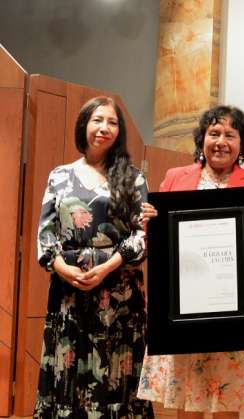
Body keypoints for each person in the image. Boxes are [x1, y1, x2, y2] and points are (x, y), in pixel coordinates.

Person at [136, 105, 244, 418]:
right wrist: (150, 221)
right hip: (186, 307)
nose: (221, 141)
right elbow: (159, 240)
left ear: (242, 144)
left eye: (230, 134)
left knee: (227, 398)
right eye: (214, 133)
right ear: (202, 139)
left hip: (233, 310)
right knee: (188, 399)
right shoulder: (175, 177)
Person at [34, 96, 153, 417]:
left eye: (112, 122)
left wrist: (107, 268)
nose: (104, 128)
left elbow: (142, 235)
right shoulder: (59, 175)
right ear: (83, 125)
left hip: (119, 294)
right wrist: (62, 269)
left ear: (120, 131)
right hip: (69, 292)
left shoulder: (133, 177)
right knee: (70, 371)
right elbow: (46, 234)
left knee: (114, 374)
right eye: (97, 120)